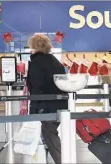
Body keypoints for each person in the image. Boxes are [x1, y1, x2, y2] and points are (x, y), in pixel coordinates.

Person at [26, 34, 67, 164]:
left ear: (33, 46)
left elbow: (37, 86)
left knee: (49, 136)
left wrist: (33, 109)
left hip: (46, 106)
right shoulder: (54, 60)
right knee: (49, 135)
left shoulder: (37, 62)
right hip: (59, 103)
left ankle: (62, 161)